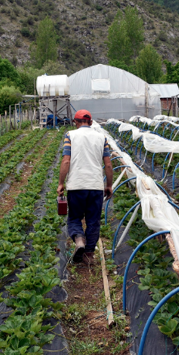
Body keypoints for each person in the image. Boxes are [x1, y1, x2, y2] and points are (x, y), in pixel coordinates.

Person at [57, 110, 113, 264]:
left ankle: (80, 240)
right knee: (93, 221)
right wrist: (109, 185)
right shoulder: (102, 138)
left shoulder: (70, 135)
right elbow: (108, 164)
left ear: (75, 122)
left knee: (75, 218)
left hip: (76, 185)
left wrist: (61, 183)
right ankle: (88, 255)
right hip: (95, 186)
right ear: (91, 121)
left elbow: (66, 161)